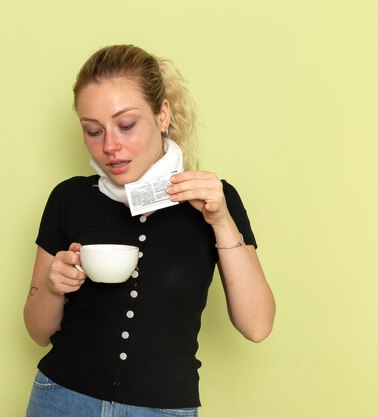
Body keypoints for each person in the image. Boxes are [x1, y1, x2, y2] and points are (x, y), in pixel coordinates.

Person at [23, 44, 275, 417]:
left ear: (162, 115)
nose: (110, 146)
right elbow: (38, 330)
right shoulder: (69, 198)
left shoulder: (214, 200)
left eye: (126, 125)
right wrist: (53, 287)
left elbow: (257, 326)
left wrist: (221, 221)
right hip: (61, 399)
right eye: (93, 131)